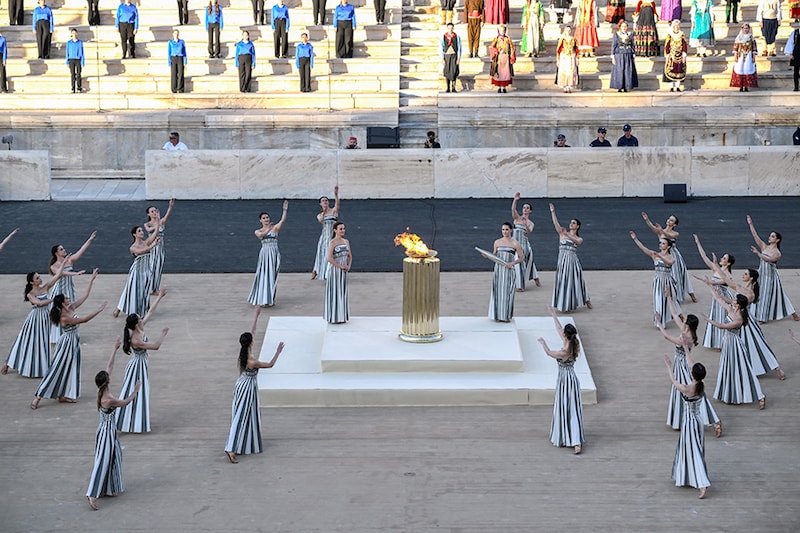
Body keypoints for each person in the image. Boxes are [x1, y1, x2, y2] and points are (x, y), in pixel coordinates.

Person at [31, 269, 106, 408]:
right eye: (66, 298)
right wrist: (98, 310)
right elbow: (84, 320)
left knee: (71, 368)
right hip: (66, 343)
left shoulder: (70, 308)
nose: (69, 299)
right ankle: (38, 396)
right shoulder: (64, 317)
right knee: (57, 368)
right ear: (61, 303)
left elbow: (85, 296)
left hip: (73, 342)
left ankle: (63, 395)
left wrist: (92, 280)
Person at [699, 261, 786, 380]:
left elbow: (734, 299)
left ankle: (776, 368)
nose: (743, 275)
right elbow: (726, 282)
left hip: (746, 323)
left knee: (757, 346)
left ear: (750, 278)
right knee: (744, 348)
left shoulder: (749, 294)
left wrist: (718, 293)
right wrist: (719, 293)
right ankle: (745, 370)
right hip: (740, 319)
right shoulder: (742, 288)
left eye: (745, 274)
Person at [85, 338, 142, 510]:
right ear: (107, 381)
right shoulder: (108, 399)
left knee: (114, 456)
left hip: (107, 431)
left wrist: (114, 349)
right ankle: (92, 493)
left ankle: (105, 488)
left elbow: (109, 367)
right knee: (103, 460)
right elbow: (124, 402)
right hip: (107, 433)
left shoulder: (101, 390)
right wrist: (136, 390)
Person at [224, 308, 285, 464]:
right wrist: (278, 352)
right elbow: (270, 365)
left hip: (242, 384)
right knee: (241, 416)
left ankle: (240, 444)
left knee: (242, 414)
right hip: (247, 388)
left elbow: (253, 332)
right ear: (250, 343)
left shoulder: (245, 351)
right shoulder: (252, 360)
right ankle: (231, 447)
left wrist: (256, 316)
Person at [657, 295, 722, 438]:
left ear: (689, 325)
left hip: (684, 363)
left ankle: (714, 421)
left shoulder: (688, 337)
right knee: (682, 391)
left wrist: (659, 323)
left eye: (685, 321)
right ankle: (680, 419)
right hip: (680, 362)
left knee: (691, 391)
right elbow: (674, 314)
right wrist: (668, 297)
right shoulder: (686, 330)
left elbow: (667, 337)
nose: (683, 321)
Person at [116, 290, 169, 433]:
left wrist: (159, 297)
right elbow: (155, 346)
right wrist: (162, 335)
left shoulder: (140, 328)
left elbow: (150, 312)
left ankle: (135, 420)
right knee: (134, 391)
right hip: (137, 366)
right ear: (136, 323)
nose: (142, 318)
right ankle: (127, 420)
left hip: (141, 364)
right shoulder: (136, 339)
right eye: (139, 318)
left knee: (139, 391)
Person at [703, 290, 766, 409]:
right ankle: (731, 394)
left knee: (744, 369)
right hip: (727, 342)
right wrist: (711, 289)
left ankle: (760, 395)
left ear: (739, 304)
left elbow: (722, 327)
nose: (733, 301)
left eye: (735, 301)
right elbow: (720, 301)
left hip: (735, 344)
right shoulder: (732, 310)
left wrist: (708, 320)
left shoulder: (739, 319)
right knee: (728, 367)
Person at [2, 263, 64, 378]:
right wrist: (53, 300)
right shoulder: (30, 294)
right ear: (32, 282)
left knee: (43, 342)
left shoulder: (45, 287)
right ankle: (8, 362)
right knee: (24, 341)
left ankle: (42, 367)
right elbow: (39, 303)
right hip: (35, 320)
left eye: (39, 277)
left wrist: (63, 264)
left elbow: (57, 276)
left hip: (45, 318)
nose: (40, 279)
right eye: (37, 278)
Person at [537, 305, 584, 455]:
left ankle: (576, 442)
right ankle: (568, 436)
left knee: (570, 408)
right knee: (567, 407)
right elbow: (558, 328)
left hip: (567, 380)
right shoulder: (570, 341)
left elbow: (551, 354)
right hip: (566, 378)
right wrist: (553, 314)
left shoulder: (565, 350)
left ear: (566, 334)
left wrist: (544, 344)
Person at [662, 354, 710, 499]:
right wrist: (684, 348)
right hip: (697, 421)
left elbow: (673, 381)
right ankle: (688, 476)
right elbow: (692, 365)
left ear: (692, 374)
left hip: (689, 423)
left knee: (693, 450)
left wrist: (669, 366)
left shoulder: (688, 388)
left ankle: (702, 483)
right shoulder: (700, 385)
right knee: (693, 449)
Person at [746, 214, 799, 322]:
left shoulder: (777, 253)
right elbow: (755, 236)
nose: (770, 237)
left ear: (777, 240)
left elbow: (768, 260)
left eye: (772, 236)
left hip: (770, 277)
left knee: (766, 297)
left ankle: (763, 318)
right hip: (761, 274)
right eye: (770, 236)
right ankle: (793, 313)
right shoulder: (764, 247)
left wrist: (758, 253)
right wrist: (751, 224)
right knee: (767, 295)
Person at [641, 212, 696, 303]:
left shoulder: (675, 233)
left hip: (674, 256)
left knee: (681, 275)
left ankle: (691, 294)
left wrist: (661, 231)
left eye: (671, 220)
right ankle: (670, 296)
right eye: (669, 219)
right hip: (664, 256)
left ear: (674, 224)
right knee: (669, 276)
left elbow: (669, 236)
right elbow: (652, 227)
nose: (669, 220)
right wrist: (647, 220)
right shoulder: (660, 231)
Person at [629, 231, 680, 328]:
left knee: (669, 301)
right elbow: (643, 248)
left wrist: (660, 256)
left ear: (668, 246)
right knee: (658, 301)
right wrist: (635, 239)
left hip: (667, 282)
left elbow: (670, 263)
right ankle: (659, 322)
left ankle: (675, 317)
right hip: (658, 281)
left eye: (663, 243)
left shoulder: (671, 257)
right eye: (660, 243)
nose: (660, 245)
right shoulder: (654, 254)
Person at [692, 234, 733, 350]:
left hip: (723, 297)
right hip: (716, 297)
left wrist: (706, 281)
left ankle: (721, 343)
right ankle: (717, 342)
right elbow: (704, 257)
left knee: (721, 318)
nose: (721, 259)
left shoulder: (728, 275)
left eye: (724, 258)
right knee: (715, 317)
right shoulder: (716, 269)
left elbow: (717, 283)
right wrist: (698, 243)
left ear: (728, 263)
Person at [549, 203, 591, 312]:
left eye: (574, 223)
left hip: (572, 261)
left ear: (577, 226)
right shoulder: (562, 234)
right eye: (571, 223)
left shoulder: (578, 238)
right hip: (562, 260)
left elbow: (577, 242)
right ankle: (563, 303)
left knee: (576, 281)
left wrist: (568, 235)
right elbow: (556, 224)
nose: (571, 224)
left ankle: (586, 299)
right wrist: (553, 212)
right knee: (562, 280)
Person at [113, 226, 160, 319]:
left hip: (146, 271)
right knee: (130, 291)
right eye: (139, 231)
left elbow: (154, 235)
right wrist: (153, 245)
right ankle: (120, 309)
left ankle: (141, 311)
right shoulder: (133, 247)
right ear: (135, 234)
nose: (142, 232)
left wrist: (158, 221)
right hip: (136, 272)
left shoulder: (145, 242)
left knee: (144, 292)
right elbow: (142, 251)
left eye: (142, 230)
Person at [248, 201, 288, 307]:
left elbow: (283, 221)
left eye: (267, 217)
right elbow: (261, 235)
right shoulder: (258, 230)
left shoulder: (274, 229)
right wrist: (268, 229)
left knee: (272, 275)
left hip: (274, 252)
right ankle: (262, 297)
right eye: (264, 218)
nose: (266, 219)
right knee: (263, 274)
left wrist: (284, 210)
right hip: (265, 253)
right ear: (260, 220)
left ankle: (271, 298)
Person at [482, 222, 524, 322]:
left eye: (506, 229)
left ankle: (505, 316)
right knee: (497, 291)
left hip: (509, 270)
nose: (504, 232)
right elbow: (494, 256)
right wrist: (487, 256)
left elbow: (522, 257)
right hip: (499, 270)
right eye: (503, 229)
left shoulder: (515, 243)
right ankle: (497, 315)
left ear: (511, 230)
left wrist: (512, 263)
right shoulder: (497, 242)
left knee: (507, 293)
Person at [144, 198, 175, 295]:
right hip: (152, 248)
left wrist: (170, 206)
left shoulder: (161, 222)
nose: (154, 213)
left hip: (160, 249)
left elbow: (167, 216)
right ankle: (148, 287)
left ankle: (155, 288)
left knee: (158, 268)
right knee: (151, 268)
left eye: (155, 211)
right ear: (148, 214)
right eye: (152, 211)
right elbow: (149, 230)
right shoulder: (147, 224)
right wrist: (157, 222)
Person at [511, 193, 540, 290]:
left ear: (530, 211)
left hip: (524, 245)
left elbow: (529, 232)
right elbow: (513, 210)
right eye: (524, 207)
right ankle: (535, 277)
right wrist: (515, 200)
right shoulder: (517, 218)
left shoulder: (531, 223)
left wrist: (525, 224)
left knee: (521, 263)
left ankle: (520, 286)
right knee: (526, 262)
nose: (525, 209)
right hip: (514, 243)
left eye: (527, 208)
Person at [324, 221, 352, 324]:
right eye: (340, 229)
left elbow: (350, 255)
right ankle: (334, 316)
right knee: (335, 291)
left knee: (342, 292)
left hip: (344, 272)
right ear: (335, 230)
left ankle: (342, 316)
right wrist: (340, 266)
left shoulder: (346, 241)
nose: (343, 231)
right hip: (335, 271)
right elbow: (329, 258)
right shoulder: (332, 242)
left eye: (343, 229)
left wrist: (348, 266)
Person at [312, 186, 340, 281]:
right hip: (324, 237)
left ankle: (330, 272)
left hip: (333, 236)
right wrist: (324, 212)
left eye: (326, 200)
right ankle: (319, 271)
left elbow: (337, 204)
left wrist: (336, 195)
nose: (325, 202)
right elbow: (320, 220)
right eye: (323, 201)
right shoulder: (320, 215)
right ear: (320, 203)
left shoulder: (333, 211)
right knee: (322, 254)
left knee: (332, 254)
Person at [610, 21, 638, 92]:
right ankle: (619, 86)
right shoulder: (616, 34)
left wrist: (633, 55)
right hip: (619, 54)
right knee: (619, 70)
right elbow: (614, 45)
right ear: (620, 27)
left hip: (628, 54)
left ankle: (626, 86)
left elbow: (632, 45)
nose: (624, 28)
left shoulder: (630, 34)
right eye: (623, 26)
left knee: (627, 70)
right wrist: (613, 56)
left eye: (625, 26)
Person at [730, 23, 758, 91]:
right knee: (740, 69)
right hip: (740, 56)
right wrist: (735, 56)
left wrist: (753, 57)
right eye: (744, 28)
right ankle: (740, 85)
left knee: (747, 69)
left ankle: (746, 86)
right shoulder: (739, 37)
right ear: (742, 29)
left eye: (747, 28)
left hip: (748, 56)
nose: (745, 30)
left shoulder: (751, 37)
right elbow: (735, 48)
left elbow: (754, 48)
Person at [664, 20, 688, 92]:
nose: (677, 27)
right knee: (671, 70)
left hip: (680, 56)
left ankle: (678, 86)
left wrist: (684, 53)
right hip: (672, 55)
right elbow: (667, 45)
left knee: (679, 71)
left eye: (678, 26)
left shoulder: (682, 34)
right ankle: (671, 86)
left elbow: (684, 45)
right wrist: (667, 54)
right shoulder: (670, 35)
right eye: (675, 26)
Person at [489, 25, 514, 93]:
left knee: (505, 73)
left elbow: (512, 48)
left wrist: (512, 56)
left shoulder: (508, 39)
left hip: (506, 57)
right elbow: (491, 47)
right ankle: (499, 87)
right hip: (499, 57)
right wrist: (496, 50)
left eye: (503, 30)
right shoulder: (496, 39)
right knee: (499, 72)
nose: (502, 32)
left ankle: (504, 87)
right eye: (501, 30)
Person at [555, 25, 579, 93]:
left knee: (571, 70)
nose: (568, 32)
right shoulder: (562, 39)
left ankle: (569, 86)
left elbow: (576, 49)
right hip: (564, 57)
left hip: (571, 56)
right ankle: (565, 86)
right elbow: (558, 50)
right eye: (567, 30)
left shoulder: (573, 39)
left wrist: (577, 58)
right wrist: (558, 59)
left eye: (569, 30)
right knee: (564, 71)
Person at [441, 23, 461, 93]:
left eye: (451, 28)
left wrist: (458, 58)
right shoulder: (444, 36)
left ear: (453, 28)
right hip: (447, 55)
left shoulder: (457, 36)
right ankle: (448, 87)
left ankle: (453, 87)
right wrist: (442, 58)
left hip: (454, 55)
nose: (450, 29)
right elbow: (442, 47)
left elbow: (459, 47)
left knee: (454, 70)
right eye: (449, 28)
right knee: (447, 71)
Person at [168, 30, 188, 94]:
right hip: (173, 58)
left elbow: (184, 52)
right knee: (174, 74)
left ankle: (180, 88)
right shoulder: (170, 42)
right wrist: (169, 61)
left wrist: (185, 62)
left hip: (180, 58)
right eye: (174, 33)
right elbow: (169, 52)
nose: (176, 35)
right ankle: (174, 88)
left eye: (177, 33)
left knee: (181, 73)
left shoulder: (182, 42)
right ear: (173, 34)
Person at [65, 28, 85, 93]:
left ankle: (79, 87)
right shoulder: (69, 43)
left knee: (79, 74)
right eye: (72, 33)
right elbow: (67, 52)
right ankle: (73, 87)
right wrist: (67, 61)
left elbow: (82, 52)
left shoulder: (80, 42)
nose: (74, 34)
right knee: (72, 74)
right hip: (71, 59)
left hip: (78, 59)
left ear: (77, 33)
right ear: (71, 34)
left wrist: (82, 62)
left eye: (75, 33)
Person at [783, 23, 800, 91]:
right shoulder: (795, 33)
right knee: (796, 71)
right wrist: (790, 53)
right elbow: (791, 42)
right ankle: (796, 86)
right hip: (797, 53)